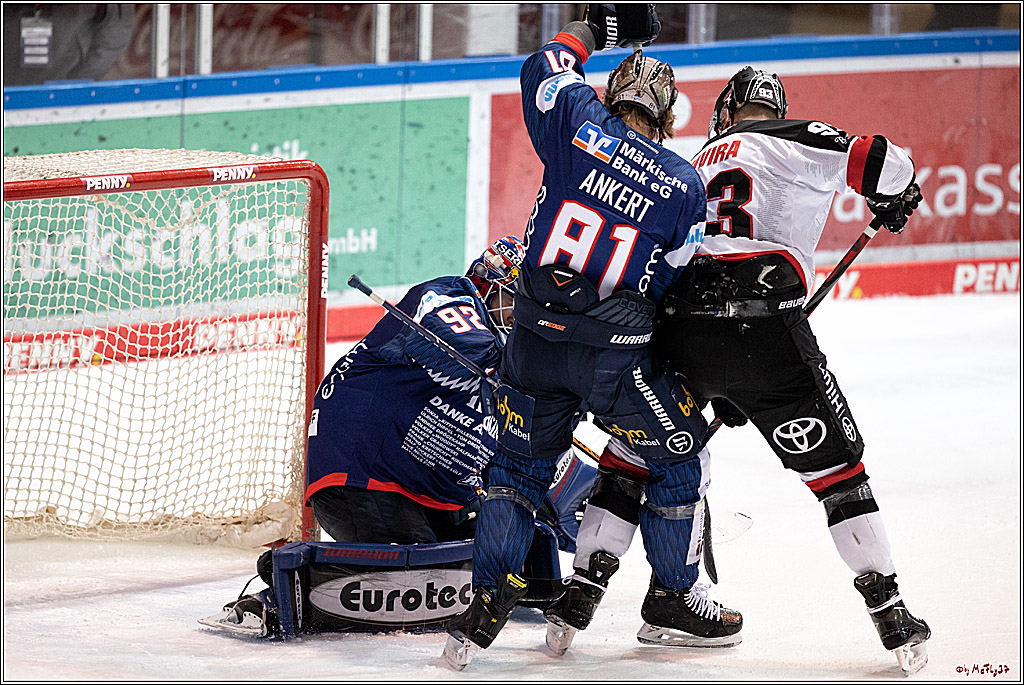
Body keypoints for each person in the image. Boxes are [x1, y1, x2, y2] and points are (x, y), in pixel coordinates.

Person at [597, 66, 931, 673]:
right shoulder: (795, 136)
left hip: (682, 330)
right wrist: (895, 193)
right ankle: (890, 612)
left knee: (636, 453)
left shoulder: (694, 160)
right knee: (838, 473)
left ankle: (584, 589)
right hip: (766, 333)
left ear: (725, 110)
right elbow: (887, 162)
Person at [443, 5, 739, 669]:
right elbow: (671, 283)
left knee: (517, 469)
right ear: (666, 118)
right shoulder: (683, 183)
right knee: (677, 456)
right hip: (615, 362)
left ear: (609, 96)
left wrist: (597, 25)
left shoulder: (576, 121)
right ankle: (677, 596)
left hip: (533, 344)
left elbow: (544, 65)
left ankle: (485, 601)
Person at [200, 236, 598, 637]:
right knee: (423, 578)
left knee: (516, 542)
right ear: (488, 284)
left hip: (437, 492)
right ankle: (273, 596)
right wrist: (538, 379)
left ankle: (540, 591)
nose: (526, 318)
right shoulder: (448, 297)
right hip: (366, 476)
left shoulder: (518, 360)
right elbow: (462, 340)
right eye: (519, 303)